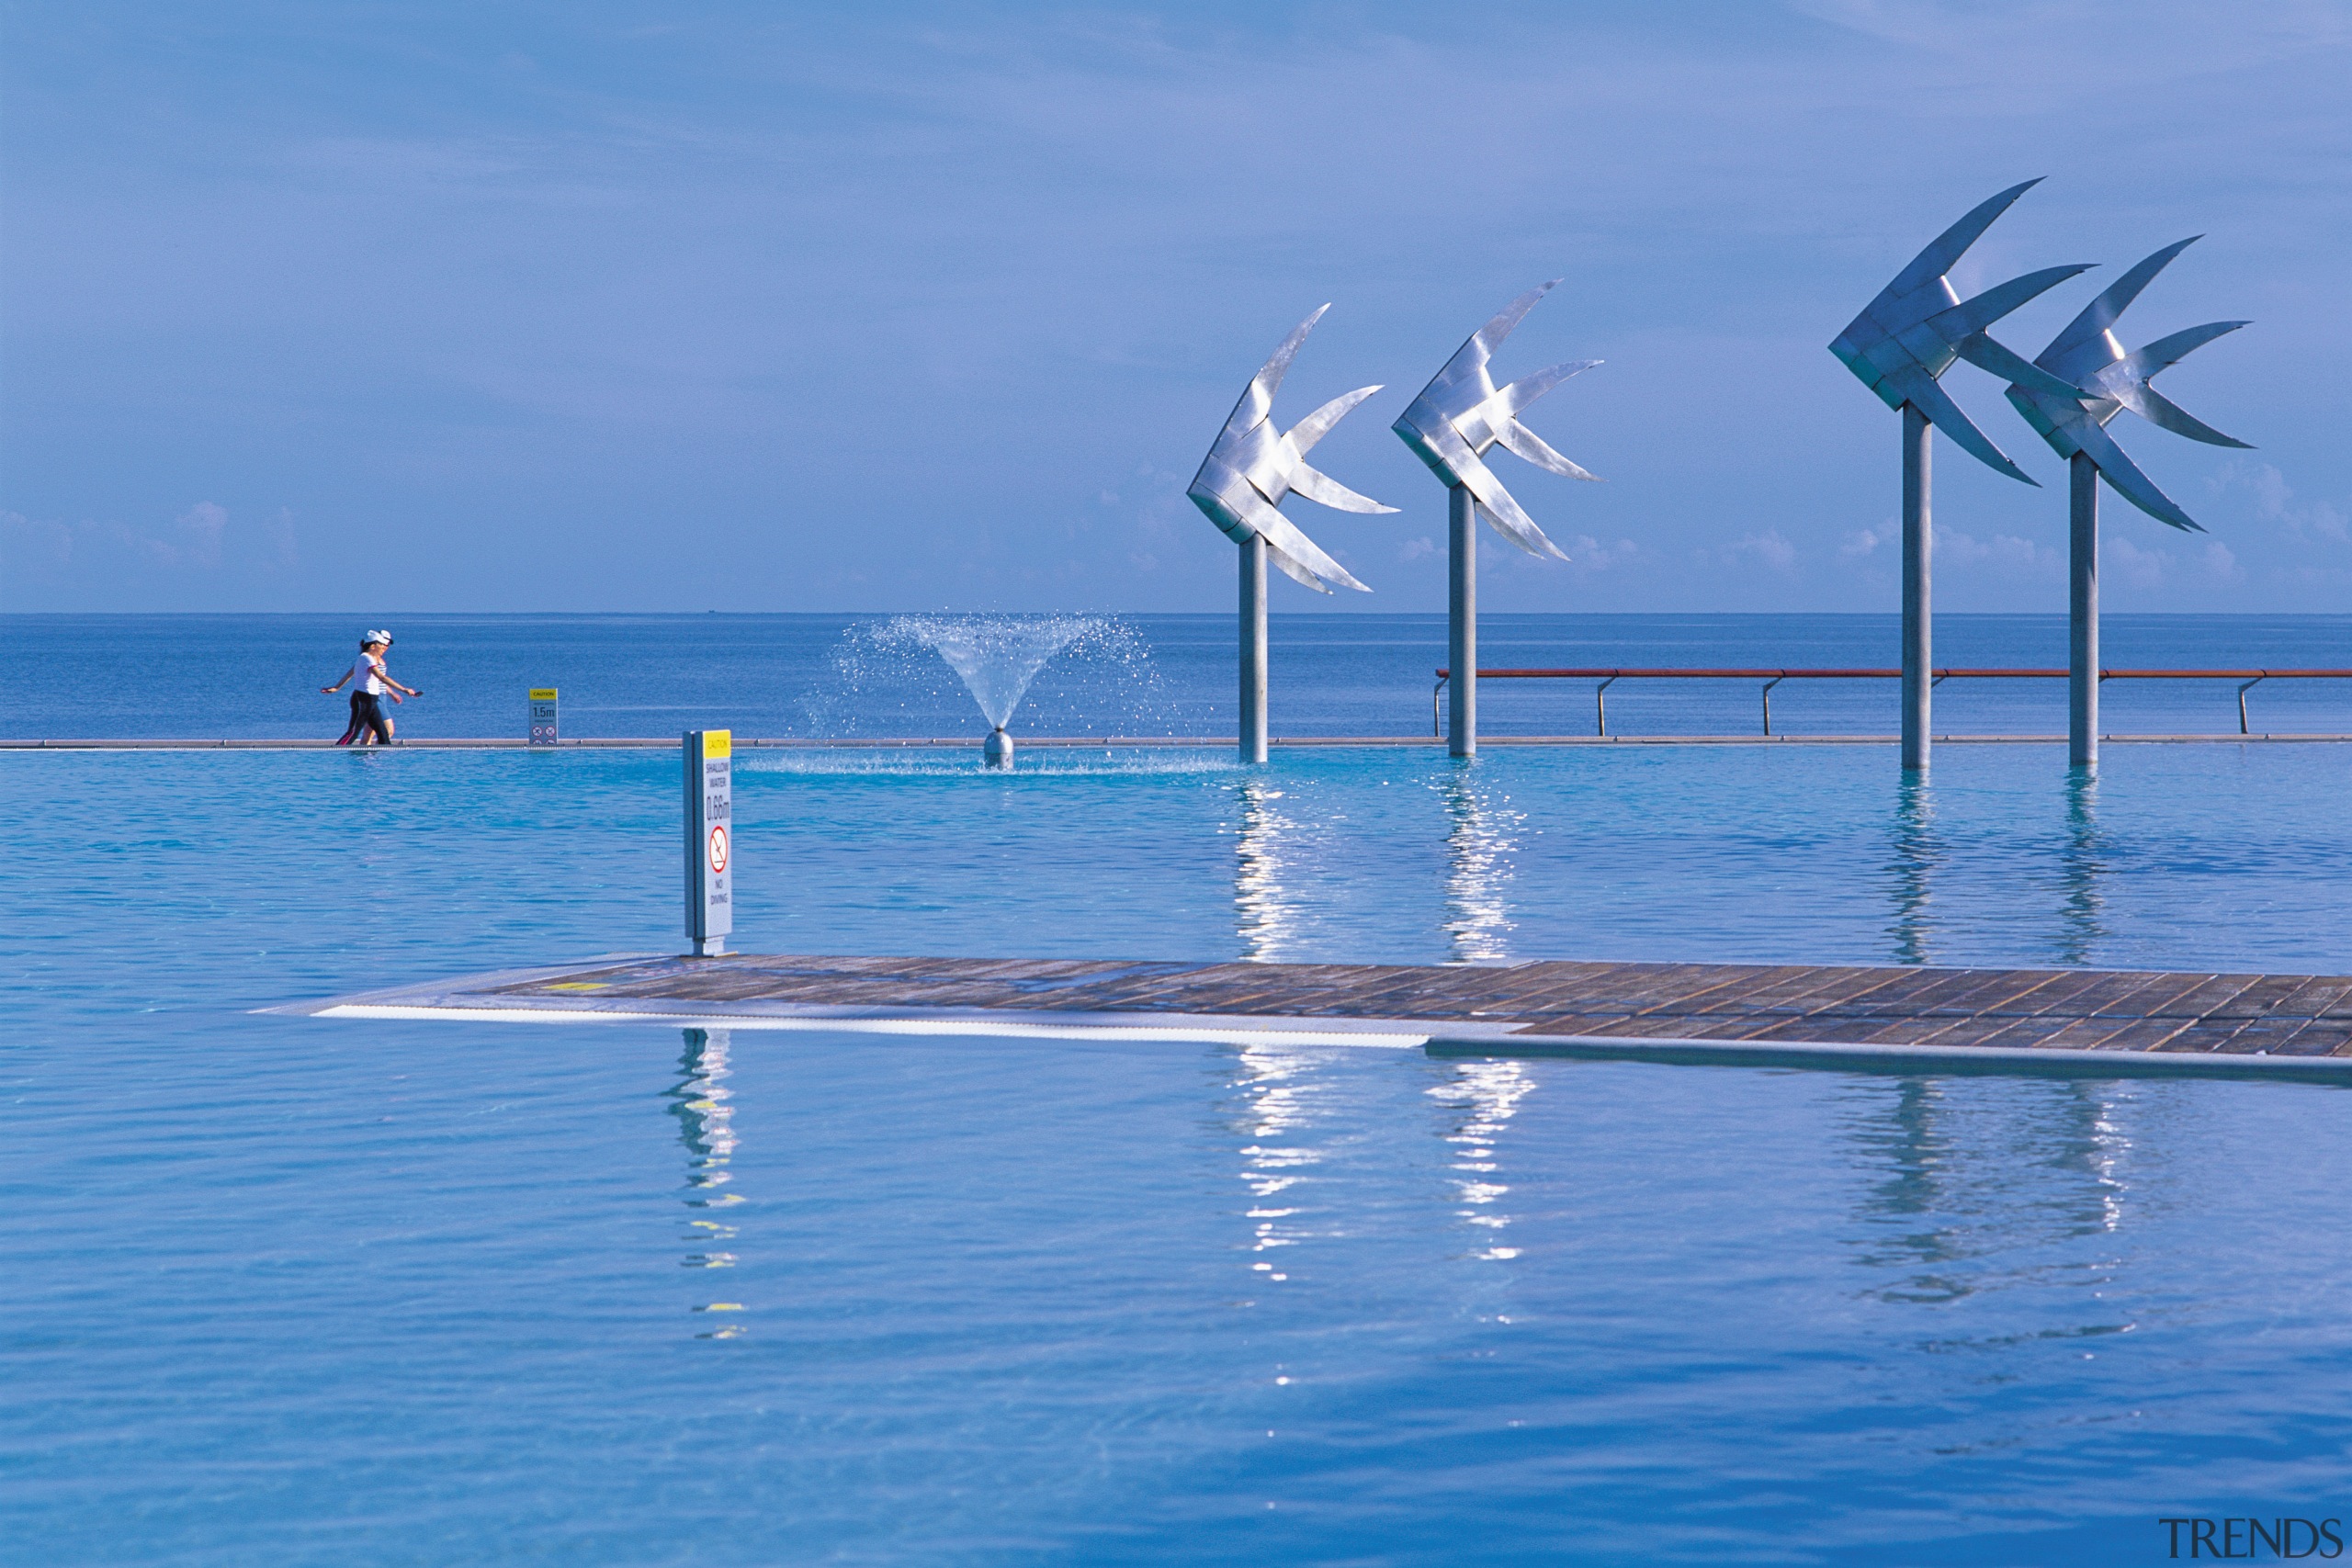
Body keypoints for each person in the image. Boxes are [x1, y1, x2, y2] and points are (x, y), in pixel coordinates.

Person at [322, 630, 418, 745]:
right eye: (382, 644)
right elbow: (381, 677)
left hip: (372, 698)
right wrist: (404, 689)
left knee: (382, 732)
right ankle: (335, 754)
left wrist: (392, 693)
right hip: (364, 698)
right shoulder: (366, 658)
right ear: (373, 646)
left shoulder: (369, 658)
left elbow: (377, 679)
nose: (384, 647)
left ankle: (381, 759)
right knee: (354, 732)